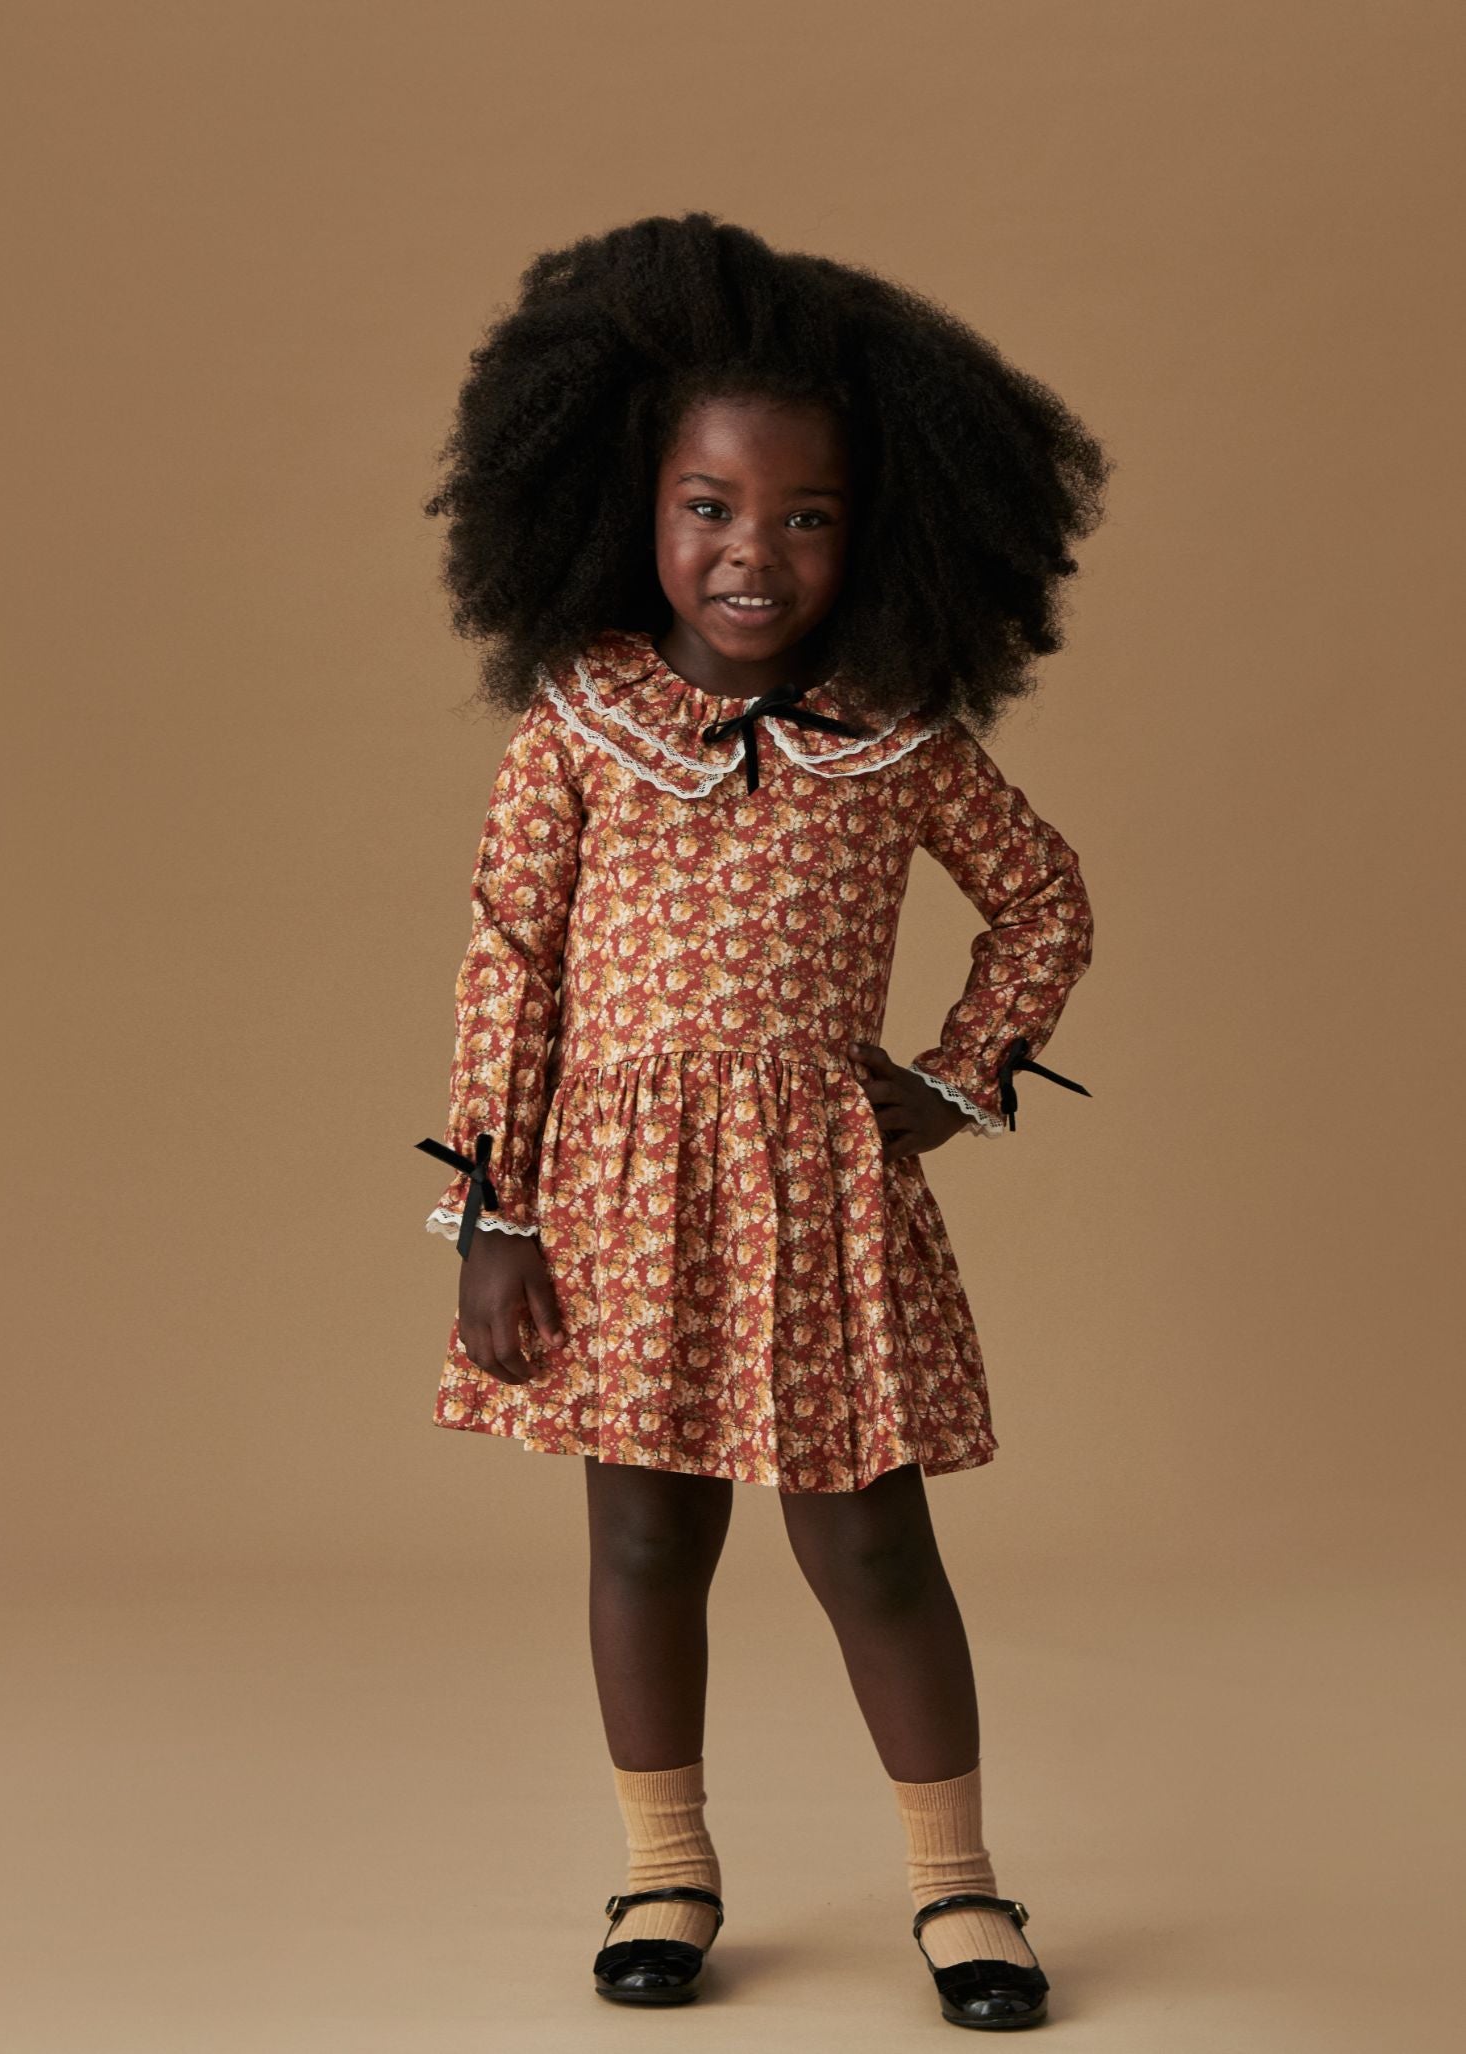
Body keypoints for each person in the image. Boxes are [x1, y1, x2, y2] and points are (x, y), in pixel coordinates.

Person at [414, 211, 1109, 2028]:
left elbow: (1044, 900)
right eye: (710, 504)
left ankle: (959, 1889)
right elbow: (510, 963)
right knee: (645, 1537)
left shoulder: (897, 735)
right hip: (614, 1197)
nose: (753, 551)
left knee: (870, 1540)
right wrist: (494, 1215)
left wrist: (953, 1082)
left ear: (875, 529)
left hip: (817, 1196)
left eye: (805, 516)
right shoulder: (575, 723)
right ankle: (667, 1862)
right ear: (627, 502)